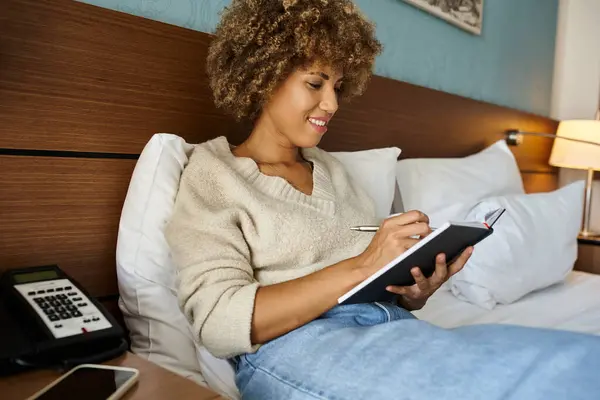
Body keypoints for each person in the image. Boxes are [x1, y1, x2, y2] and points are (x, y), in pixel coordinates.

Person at [165, 1, 600, 399]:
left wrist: (412, 292)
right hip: (300, 347)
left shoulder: (334, 173)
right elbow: (217, 323)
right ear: (261, 75)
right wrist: (364, 263)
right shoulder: (214, 173)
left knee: (580, 361)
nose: (332, 103)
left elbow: (370, 281)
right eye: (315, 83)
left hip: (395, 329)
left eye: (337, 85)